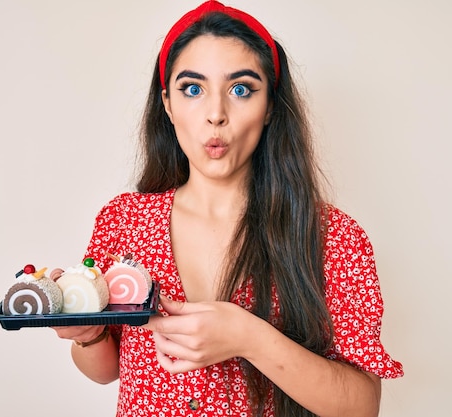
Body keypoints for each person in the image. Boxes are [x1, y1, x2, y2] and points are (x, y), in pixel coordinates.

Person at [53, 1, 403, 416]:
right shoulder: (123, 221)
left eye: (241, 89)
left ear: (271, 104)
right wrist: (88, 335)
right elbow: (107, 370)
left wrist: (248, 337)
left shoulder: (333, 236)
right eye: (192, 89)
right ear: (167, 103)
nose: (215, 115)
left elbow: (362, 407)